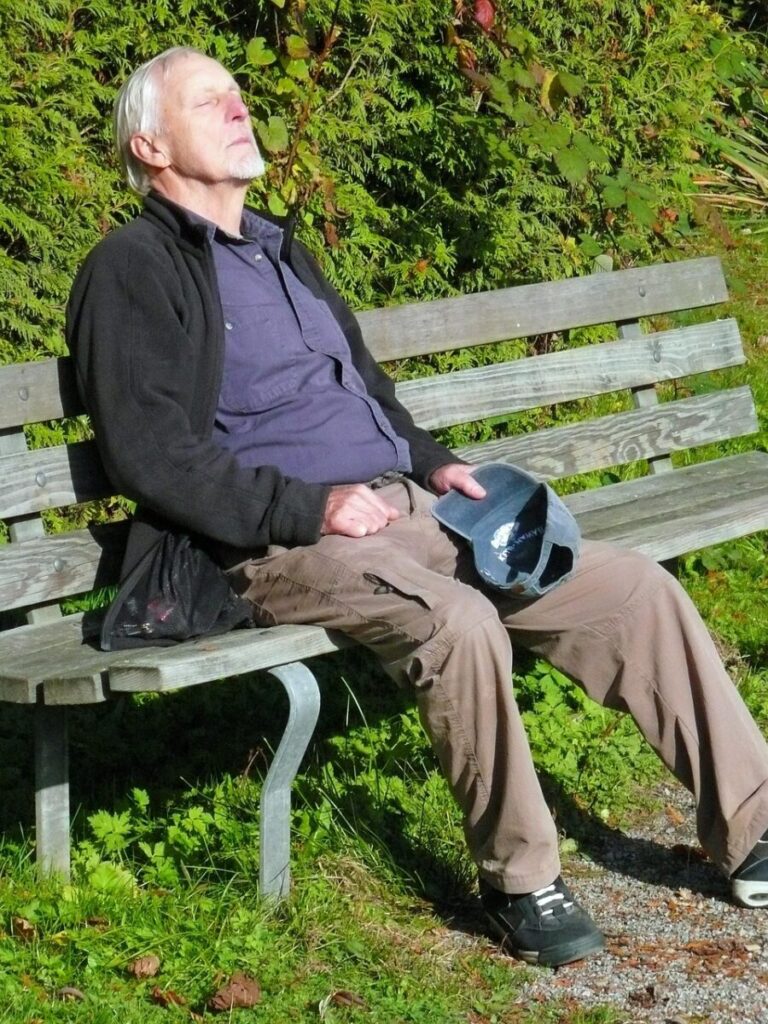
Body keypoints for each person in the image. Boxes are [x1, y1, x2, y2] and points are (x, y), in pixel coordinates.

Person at [66, 46, 768, 968]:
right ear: (151, 146)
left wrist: (435, 465)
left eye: (239, 96)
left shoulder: (281, 249)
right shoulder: (133, 267)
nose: (240, 110)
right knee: (459, 623)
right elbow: (149, 454)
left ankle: (753, 829)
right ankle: (521, 878)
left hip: (408, 510)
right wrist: (309, 507)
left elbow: (366, 391)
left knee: (631, 587)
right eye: (211, 102)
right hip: (279, 543)